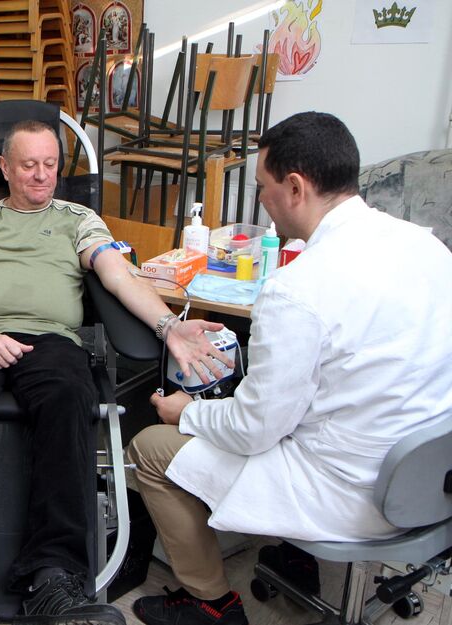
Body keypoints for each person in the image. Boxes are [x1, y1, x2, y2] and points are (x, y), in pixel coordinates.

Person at [0, 120, 230, 625]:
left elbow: (117, 276)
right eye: (29, 165)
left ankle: (54, 578)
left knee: (68, 399)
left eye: (51, 164)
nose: (41, 175)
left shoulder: (79, 218)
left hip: (51, 339)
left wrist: (169, 326)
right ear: (4, 167)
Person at [129, 112, 452, 625]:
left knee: (149, 448)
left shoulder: (298, 289)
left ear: (296, 188)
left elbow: (255, 429)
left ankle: (211, 604)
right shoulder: (427, 246)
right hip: (431, 479)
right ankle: (293, 553)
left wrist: (186, 411)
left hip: (354, 496)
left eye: (262, 186)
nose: (261, 199)